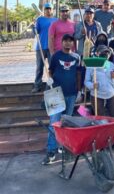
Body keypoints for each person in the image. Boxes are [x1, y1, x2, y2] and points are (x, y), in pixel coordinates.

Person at [42, 34, 81, 165]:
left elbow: (78, 74)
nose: (68, 43)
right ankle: (51, 151)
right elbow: (51, 71)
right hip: (56, 94)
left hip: (71, 94)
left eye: (70, 41)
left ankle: (64, 147)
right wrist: (49, 81)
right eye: (66, 41)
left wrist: (79, 90)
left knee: (66, 123)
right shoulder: (56, 56)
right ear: (62, 42)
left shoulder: (76, 57)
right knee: (54, 123)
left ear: (73, 43)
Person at [84, 45, 114, 150]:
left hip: (111, 94)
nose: (105, 55)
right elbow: (86, 81)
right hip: (97, 95)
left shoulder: (111, 65)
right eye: (103, 53)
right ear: (97, 53)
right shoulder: (91, 65)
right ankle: (101, 142)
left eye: (107, 53)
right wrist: (91, 85)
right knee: (100, 118)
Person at [32, 3, 57, 93]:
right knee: (39, 67)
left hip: (52, 47)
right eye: (46, 8)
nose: (48, 10)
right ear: (44, 10)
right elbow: (35, 32)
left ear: (52, 10)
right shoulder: (39, 19)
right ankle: (37, 85)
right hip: (41, 47)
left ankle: (52, 85)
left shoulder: (56, 20)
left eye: (50, 8)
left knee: (52, 67)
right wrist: (33, 26)